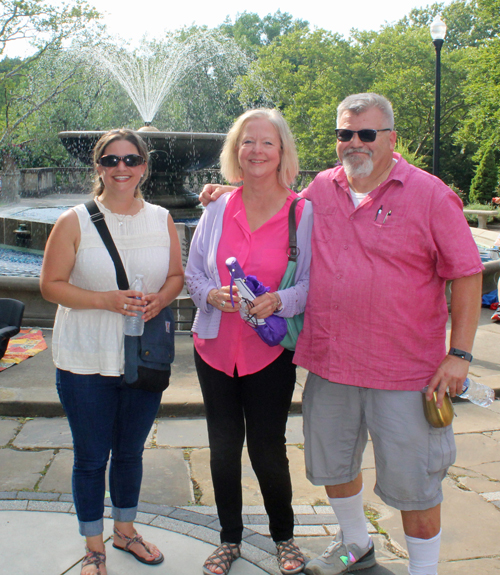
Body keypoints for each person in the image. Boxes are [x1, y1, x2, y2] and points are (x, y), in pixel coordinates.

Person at [200, 93, 483, 575]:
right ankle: (356, 542)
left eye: (367, 133)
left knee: (415, 483)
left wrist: (459, 354)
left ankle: (424, 570)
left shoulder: (430, 193)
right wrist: (226, 193)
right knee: (333, 467)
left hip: (405, 370)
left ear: (391, 138)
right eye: (344, 134)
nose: (355, 143)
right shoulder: (320, 192)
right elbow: (271, 199)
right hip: (331, 364)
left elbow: (467, 272)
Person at [40, 128, 184, 575]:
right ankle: (94, 545)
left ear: (144, 166)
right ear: (98, 167)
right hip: (85, 359)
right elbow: (49, 286)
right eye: (111, 160)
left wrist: (161, 299)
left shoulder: (161, 218)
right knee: (90, 457)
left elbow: (176, 276)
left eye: (131, 160)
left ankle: (125, 531)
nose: (121, 169)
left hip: (141, 358)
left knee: (129, 453)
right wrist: (106, 299)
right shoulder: (74, 220)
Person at [185, 108, 313, 575]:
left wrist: (280, 299)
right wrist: (209, 294)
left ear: (282, 153)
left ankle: (284, 536)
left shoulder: (303, 211)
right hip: (214, 348)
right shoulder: (216, 208)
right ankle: (229, 538)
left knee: (267, 448)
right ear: (235, 151)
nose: (256, 151)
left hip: (269, 353)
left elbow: (313, 285)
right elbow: (193, 271)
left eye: (267, 142)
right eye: (247, 142)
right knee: (222, 448)